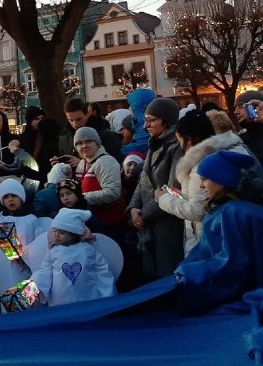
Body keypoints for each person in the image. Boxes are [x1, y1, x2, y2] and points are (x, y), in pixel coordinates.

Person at [157, 110, 262, 256]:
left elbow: (198, 210)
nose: (201, 185)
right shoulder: (223, 154)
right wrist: (183, 195)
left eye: (180, 140)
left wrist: (163, 199)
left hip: (203, 241)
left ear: (189, 138)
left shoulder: (203, 164)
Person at [176, 150, 263, 314]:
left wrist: (189, 272)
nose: (201, 186)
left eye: (204, 179)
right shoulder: (232, 210)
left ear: (221, 180)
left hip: (235, 302)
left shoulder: (232, 213)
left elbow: (233, 263)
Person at [128, 97, 183, 280]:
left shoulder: (176, 147)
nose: (145, 126)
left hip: (167, 224)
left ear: (166, 120)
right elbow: (143, 179)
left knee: (168, 277)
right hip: (149, 223)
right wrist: (134, 207)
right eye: (145, 120)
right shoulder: (155, 143)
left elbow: (173, 187)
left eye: (151, 120)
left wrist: (144, 213)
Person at [29, 208, 116, 307]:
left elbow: (102, 272)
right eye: (55, 231)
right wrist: (35, 286)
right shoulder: (53, 252)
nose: (57, 235)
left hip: (88, 299)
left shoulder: (88, 250)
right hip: (60, 302)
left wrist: (107, 294)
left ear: (73, 234)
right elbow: (45, 272)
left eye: (62, 232)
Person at [0, 178, 47, 299]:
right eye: (6, 197)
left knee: (24, 300)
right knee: (8, 300)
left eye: (14, 196)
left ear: (21, 197)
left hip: (26, 269)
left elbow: (39, 244)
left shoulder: (30, 219)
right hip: (4, 270)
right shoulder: (0, 221)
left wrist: (25, 257)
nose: (10, 199)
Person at [70, 127, 125, 241]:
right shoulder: (83, 163)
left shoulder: (106, 161)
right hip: (93, 223)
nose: (84, 146)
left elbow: (113, 192)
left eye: (88, 141)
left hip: (110, 224)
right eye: (79, 143)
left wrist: (81, 198)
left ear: (97, 143)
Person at [56, 97, 121, 163]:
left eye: (79, 119)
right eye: (71, 120)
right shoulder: (65, 138)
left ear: (87, 114)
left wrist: (83, 164)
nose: (75, 124)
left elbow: (113, 163)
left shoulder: (107, 136)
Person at [234, 90, 263, 163]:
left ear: (256, 107)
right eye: (235, 107)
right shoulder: (241, 138)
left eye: (240, 107)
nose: (236, 112)